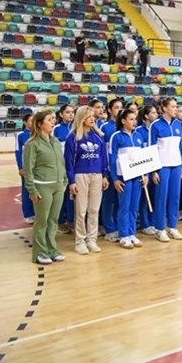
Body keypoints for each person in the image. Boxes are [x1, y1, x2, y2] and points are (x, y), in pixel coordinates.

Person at [23, 109, 68, 265]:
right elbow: (28, 169)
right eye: (50, 119)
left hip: (58, 186)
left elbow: (61, 163)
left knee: (53, 221)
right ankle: (39, 253)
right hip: (42, 187)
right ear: (40, 124)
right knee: (42, 221)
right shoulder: (32, 144)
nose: (53, 121)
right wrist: (32, 189)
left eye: (54, 119)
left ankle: (52, 250)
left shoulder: (55, 141)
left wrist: (65, 180)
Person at [64, 106, 109, 255]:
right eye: (89, 116)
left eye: (93, 117)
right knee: (81, 211)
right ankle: (80, 241)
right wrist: (72, 181)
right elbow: (69, 162)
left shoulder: (99, 136)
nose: (92, 119)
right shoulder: (73, 138)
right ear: (81, 118)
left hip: (96, 176)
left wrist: (104, 175)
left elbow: (104, 158)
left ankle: (92, 239)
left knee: (94, 210)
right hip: (80, 176)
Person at [110, 109, 148, 249]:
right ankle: (123, 235)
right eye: (131, 119)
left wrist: (146, 176)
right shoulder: (117, 137)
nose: (134, 122)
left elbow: (144, 158)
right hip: (123, 177)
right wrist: (115, 179)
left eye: (135, 119)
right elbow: (112, 159)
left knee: (134, 206)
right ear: (123, 121)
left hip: (137, 177)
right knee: (124, 206)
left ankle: (132, 233)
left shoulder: (139, 136)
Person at [149, 97, 182, 241]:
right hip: (162, 167)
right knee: (161, 198)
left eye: (176, 107)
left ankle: (172, 227)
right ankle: (159, 228)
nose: (175, 109)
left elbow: (180, 147)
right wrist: (153, 170)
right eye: (172, 107)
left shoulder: (179, 125)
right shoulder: (156, 125)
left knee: (174, 197)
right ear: (164, 108)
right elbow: (151, 149)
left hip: (176, 166)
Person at [99, 99, 123, 242]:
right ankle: (109, 229)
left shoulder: (125, 126)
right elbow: (103, 152)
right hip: (108, 170)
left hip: (123, 171)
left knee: (120, 201)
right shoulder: (105, 128)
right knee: (108, 201)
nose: (119, 110)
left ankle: (119, 226)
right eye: (116, 108)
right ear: (109, 110)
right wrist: (104, 172)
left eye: (121, 108)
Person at [136, 105, 159, 234]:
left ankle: (152, 221)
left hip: (155, 167)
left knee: (154, 196)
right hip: (143, 167)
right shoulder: (139, 131)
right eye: (153, 112)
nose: (156, 115)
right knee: (144, 197)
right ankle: (145, 223)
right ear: (146, 116)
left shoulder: (156, 128)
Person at [53, 104, 75, 233]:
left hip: (74, 168)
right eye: (67, 112)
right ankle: (60, 221)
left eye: (72, 112)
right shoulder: (56, 129)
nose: (71, 114)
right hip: (61, 168)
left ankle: (71, 220)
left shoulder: (76, 128)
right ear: (61, 114)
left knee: (72, 196)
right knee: (61, 196)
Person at [15, 113, 35, 224]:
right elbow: (18, 152)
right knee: (27, 191)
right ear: (25, 122)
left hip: (38, 168)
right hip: (26, 168)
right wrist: (20, 167)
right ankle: (28, 214)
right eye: (31, 121)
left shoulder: (39, 134)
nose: (33, 123)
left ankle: (37, 212)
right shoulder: (20, 135)